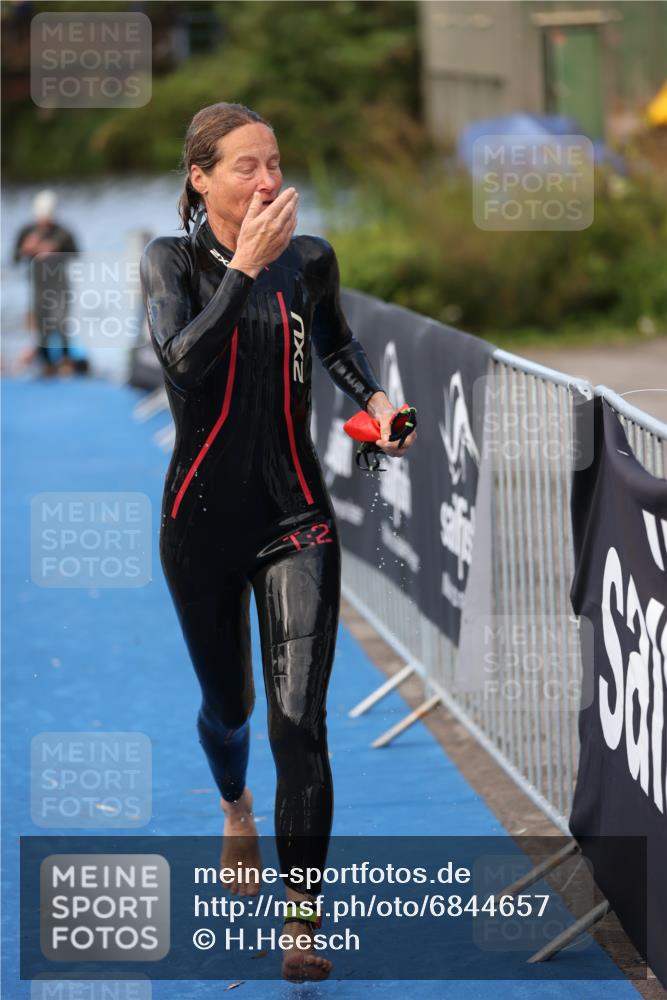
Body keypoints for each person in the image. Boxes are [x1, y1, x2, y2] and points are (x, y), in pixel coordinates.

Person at [139, 102, 417, 982]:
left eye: (275, 164)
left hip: (295, 517)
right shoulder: (170, 262)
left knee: (301, 724)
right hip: (199, 523)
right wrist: (240, 273)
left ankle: (302, 920)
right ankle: (232, 804)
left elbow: (337, 349)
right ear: (200, 178)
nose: (268, 182)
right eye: (244, 167)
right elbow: (183, 366)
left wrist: (375, 404)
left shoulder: (309, 260)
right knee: (232, 710)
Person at [13, 189, 85, 376]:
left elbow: (78, 255)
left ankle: (64, 362)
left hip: (60, 286)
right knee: (41, 326)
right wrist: (26, 250)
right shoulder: (27, 232)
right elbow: (14, 259)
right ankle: (46, 365)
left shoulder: (63, 233)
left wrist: (56, 251)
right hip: (37, 287)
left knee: (61, 324)